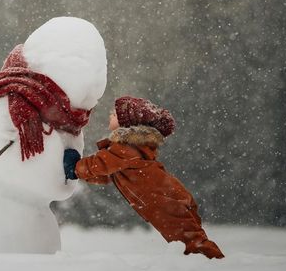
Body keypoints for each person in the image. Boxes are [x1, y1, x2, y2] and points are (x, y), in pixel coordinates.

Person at [63, 96, 224, 259]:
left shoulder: (125, 148)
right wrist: (82, 174)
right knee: (189, 235)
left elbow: (100, 164)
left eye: (115, 113)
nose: (110, 114)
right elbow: (108, 175)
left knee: (189, 239)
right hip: (167, 196)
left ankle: (215, 263)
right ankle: (209, 261)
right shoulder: (126, 149)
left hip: (165, 200)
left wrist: (75, 169)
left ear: (127, 123)